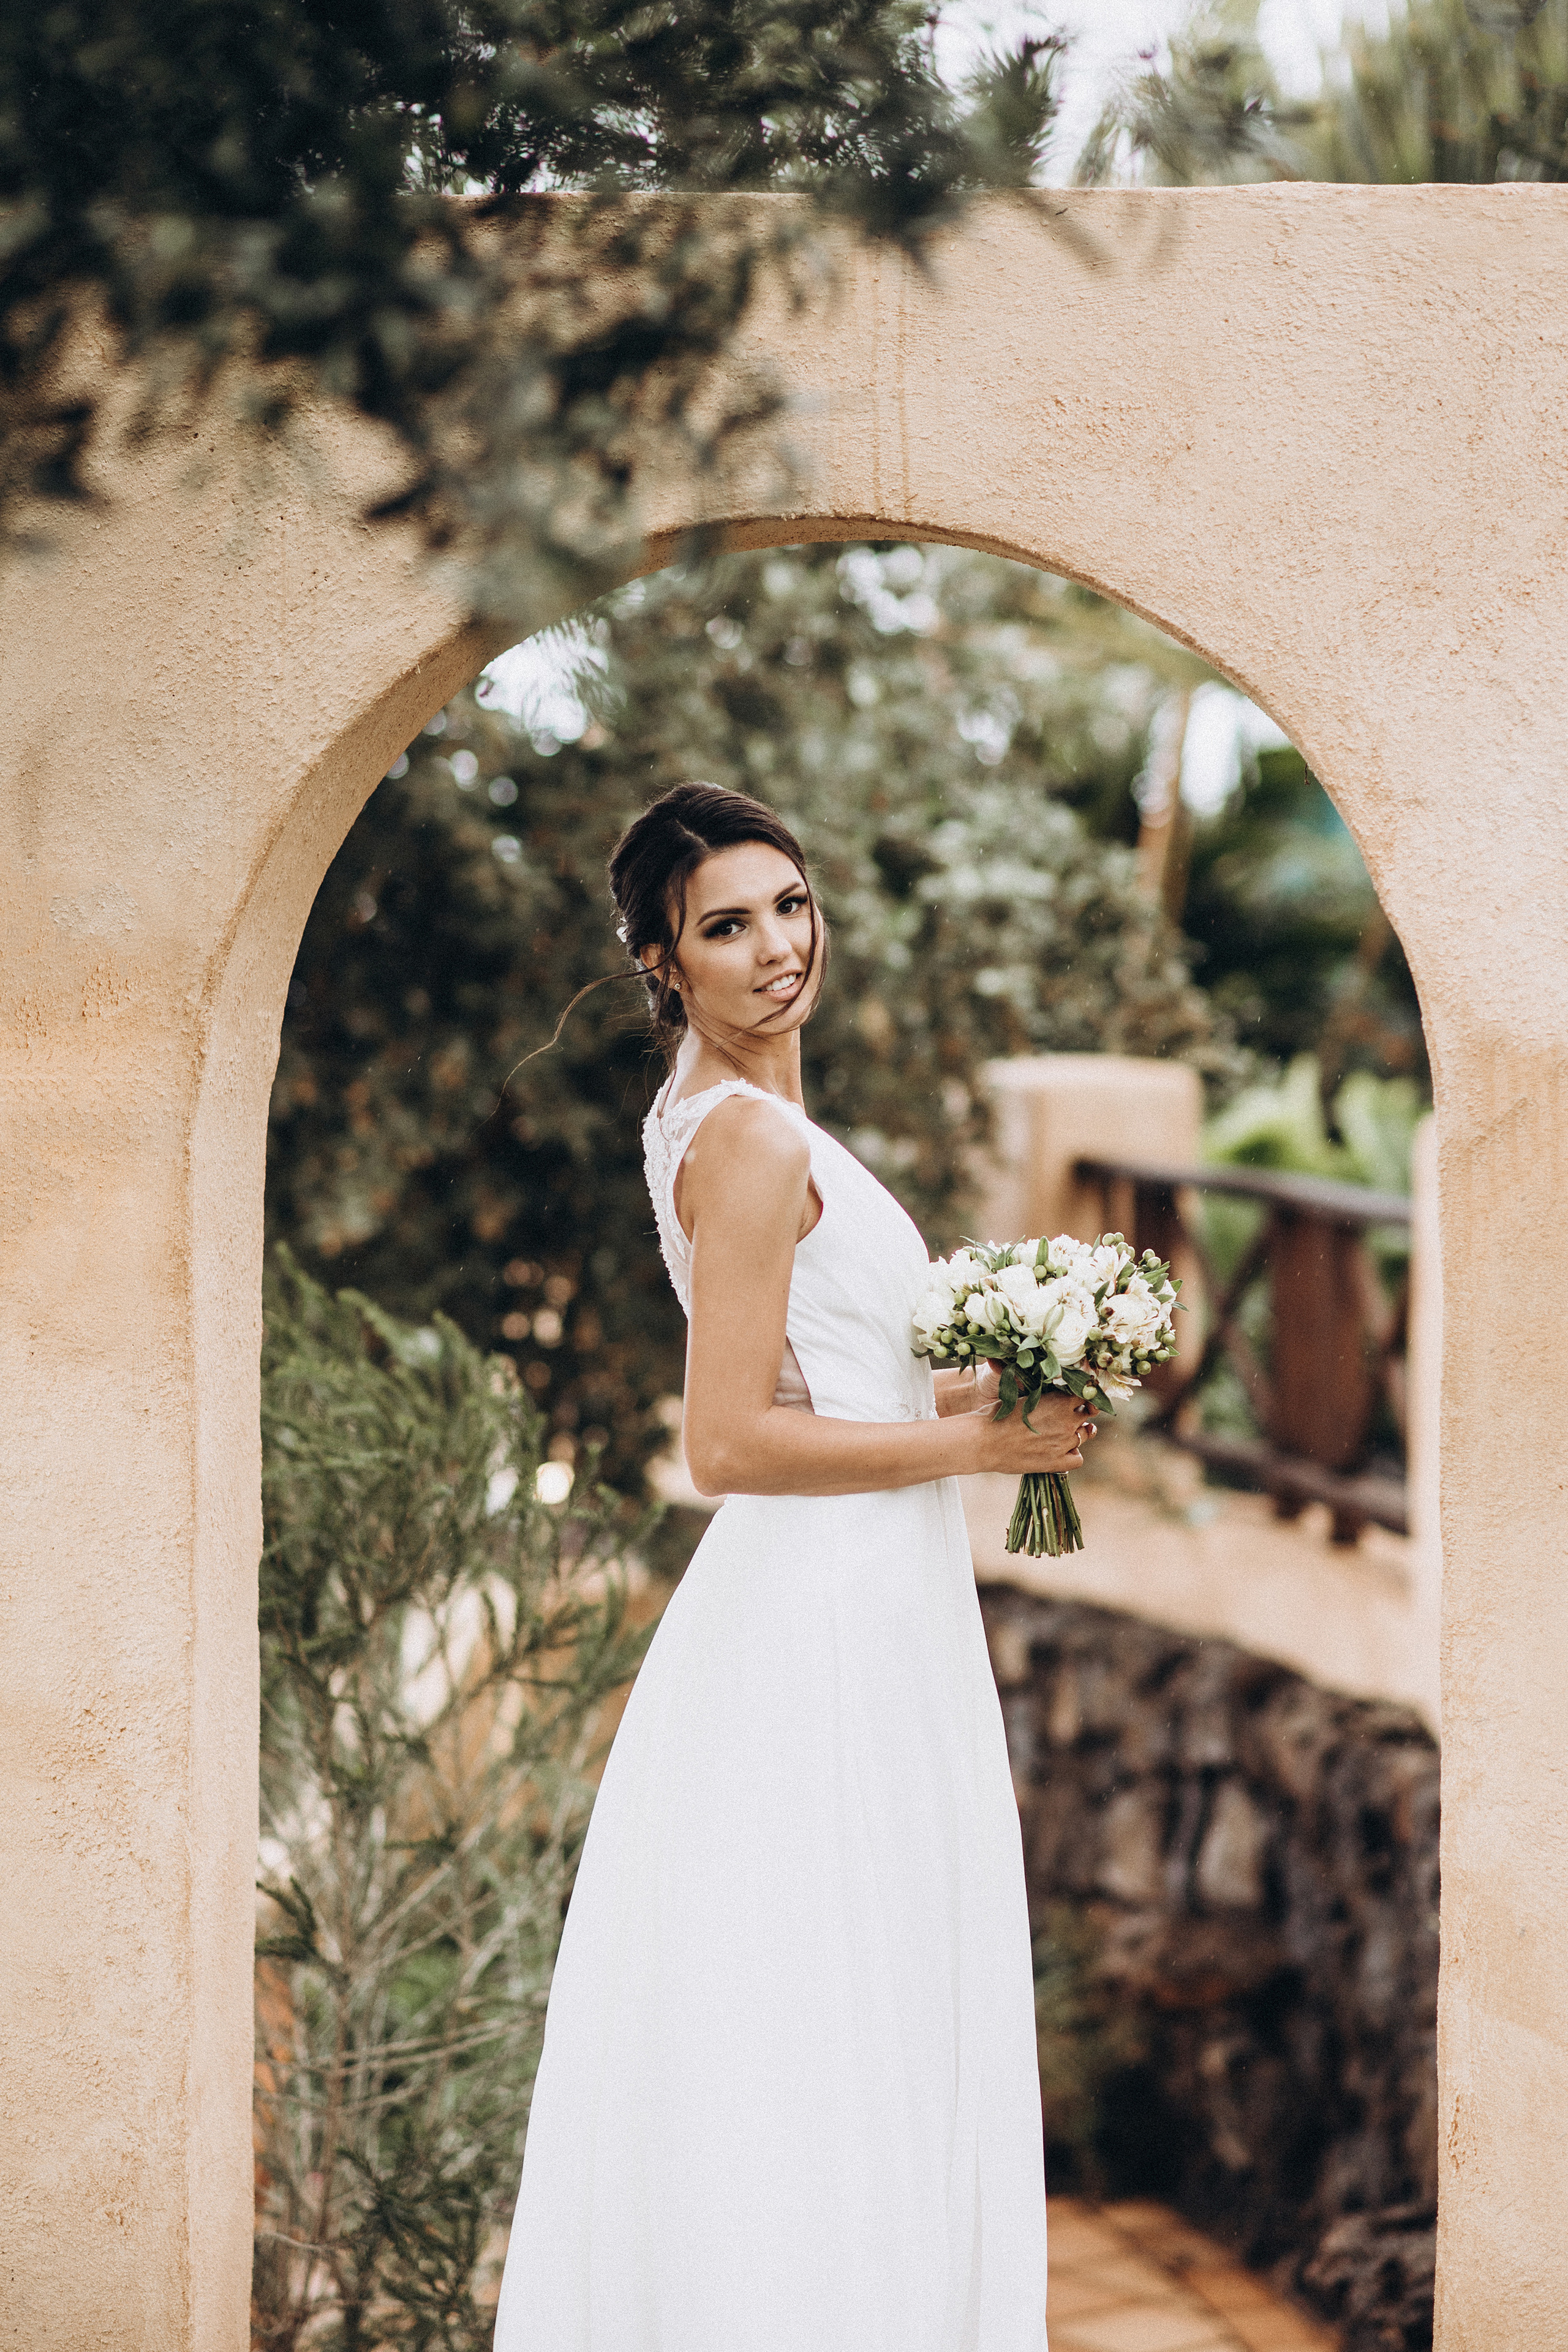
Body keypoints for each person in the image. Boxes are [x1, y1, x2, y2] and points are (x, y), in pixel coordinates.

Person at [494, 782, 1093, 2352]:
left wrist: (1005, 1384)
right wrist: (974, 1455)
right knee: (822, 2008)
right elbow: (731, 1445)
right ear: (658, 963)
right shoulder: (748, 1140)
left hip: (868, 1601)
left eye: (790, 905)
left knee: (853, 1997)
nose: (775, 948)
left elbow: (834, 1392)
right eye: (725, 926)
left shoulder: (741, 1120)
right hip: (819, 1617)